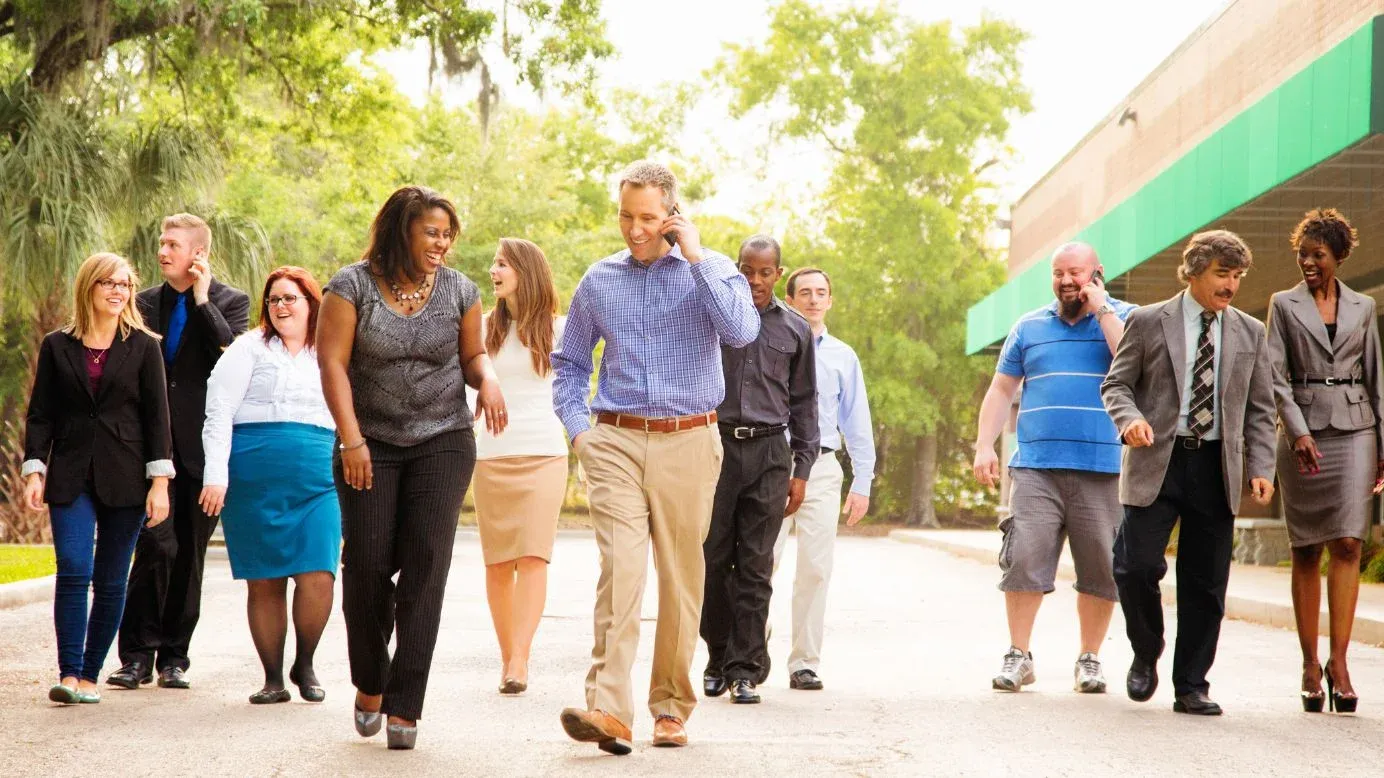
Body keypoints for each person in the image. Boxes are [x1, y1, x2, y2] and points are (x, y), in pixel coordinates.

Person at [554, 160, 758, 755]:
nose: (635, 228)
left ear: (670, 213)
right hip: (614, 438)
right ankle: (608, 711)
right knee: (621, 570)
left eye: (647, 217)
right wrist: (579, 432)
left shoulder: (712, 270)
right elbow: (570, 363)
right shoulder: (599, 279)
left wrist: (696, 256)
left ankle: (670, 707)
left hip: (689, 440)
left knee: (680, 577)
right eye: (626, 215)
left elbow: (741, 332)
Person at [318, 185, 506, 751]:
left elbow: (471, 356)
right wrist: (351, 441)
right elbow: (332, 362)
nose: (442, 244)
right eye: (432, 232)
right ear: (403, 229)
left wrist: (489, 378)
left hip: (443, 439)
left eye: (448, 235)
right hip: (368, 440)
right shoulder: (351, 286)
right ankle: (371, 680)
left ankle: (406, 704)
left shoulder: (459, 290)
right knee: (369, 566)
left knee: (427, 564)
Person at [1101, 229, 1277, 716]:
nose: (1231, 286)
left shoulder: (1250, 332)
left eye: (1238, 276)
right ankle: (1146, 650)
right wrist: (1130, 419)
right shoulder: (1147, 320)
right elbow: (1116, 386)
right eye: (1223, 274)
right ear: (1195, 270)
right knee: (1134, 566)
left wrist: (1262, 466)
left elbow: (1261, 409)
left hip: (1216, 464)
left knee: (1205, 582)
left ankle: (1192, 684)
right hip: (1157, 457)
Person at [971, 242, 1132, 694]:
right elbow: (1002, 389)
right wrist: (985, 445)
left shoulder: (1126, 318)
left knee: (1101, 567)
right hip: (1036, 468)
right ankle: (1019, 655)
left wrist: (1103, 312)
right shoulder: (1029, 326)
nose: (1066, 281)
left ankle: (1090, 658)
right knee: (1022, 559)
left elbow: (1133, 364)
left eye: (1076, 273)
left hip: (1103, 467)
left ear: (1098, 273)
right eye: (1059, 273)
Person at [24, 252, 172, 705]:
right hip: (69, 475)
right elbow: (41, 414)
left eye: (125, 284)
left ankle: (90, 677)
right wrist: (35, 469)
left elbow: (157, 420)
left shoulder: (145, 347)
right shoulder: (57, 345)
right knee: (72, 568)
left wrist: (160, 483)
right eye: (107, 283)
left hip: (126, 477)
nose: (117, 291)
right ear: (88, 287)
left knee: (110, 580)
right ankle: (68, 674)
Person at [111, 214, 250, 691]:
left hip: (201, 449)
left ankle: (174, 657)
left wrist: (203, 299)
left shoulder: (232, 302)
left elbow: (232, 352)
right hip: (147, 448)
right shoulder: (140, 303)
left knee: (189, 555)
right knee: (154, 548)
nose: (162, 251)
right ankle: (135, 656)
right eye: (161, 243)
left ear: (198, 253)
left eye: (172, 244)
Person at [200, 266, 340, 705]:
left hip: (321, 478)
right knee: (264, 581)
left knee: (319, 572)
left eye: (290, 298)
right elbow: (218, 412)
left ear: (310, 303)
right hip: (253, 478)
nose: (280, 306)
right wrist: (215, 475)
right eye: (274, 300)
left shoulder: (333, 350)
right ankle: (273, 678)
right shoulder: (247, 348)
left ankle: (307, 663)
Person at [1266, 208, 1382, 714]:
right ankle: (1309, 664)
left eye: (1318, 255)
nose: (1308, 262)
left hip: (1357, 430)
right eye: (1303, 254)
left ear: (1338, 256)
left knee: (1350, 543)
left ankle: (1340, 662)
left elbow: (1375, 375)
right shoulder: (1282, 304)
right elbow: (1274, 376)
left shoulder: (1365, 306)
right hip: (1303, 434)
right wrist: (1297, 432)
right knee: (1307, 549)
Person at [700, 235, 817, 706]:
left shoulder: (795, 330)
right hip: (716, 449)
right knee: (711, 561)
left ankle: (746, 669)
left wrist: (802, 467)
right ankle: (716, 657)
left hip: (771, 454)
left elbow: (806, 402)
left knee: (755, 564)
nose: (754, 281)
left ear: (778, 274)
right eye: (747, 270)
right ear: (736, 268)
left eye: (765, 272)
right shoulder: (715, 321)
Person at [772, 267, 875, 692]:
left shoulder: (843, 356)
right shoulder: (771, 345)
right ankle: (749, 650)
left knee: (815, 567)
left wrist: (863, 480)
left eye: (821, 293)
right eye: (805, 293)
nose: (813, 300)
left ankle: (804, 662)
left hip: (823, 469)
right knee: (761, 563)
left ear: (830, 300)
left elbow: (857, 420)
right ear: (790, 299)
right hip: (773, 465)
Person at [474, 237, 567, 696]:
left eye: (502, 263)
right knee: (497, 562)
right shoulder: (481, 328)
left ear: (525, 272)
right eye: (494, 263)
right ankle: (506, 653)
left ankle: (519, 660)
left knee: (532, 555)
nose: (494, 270)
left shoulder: (560, 329)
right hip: (491, 454)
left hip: (545, 451)